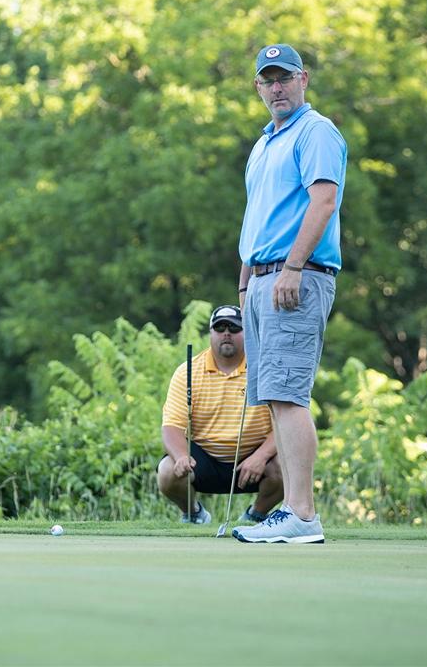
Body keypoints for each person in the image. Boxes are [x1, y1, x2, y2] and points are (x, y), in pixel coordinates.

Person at [231, 44, 347, 544]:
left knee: (288, 392)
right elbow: (257, 217)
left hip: (295, 276)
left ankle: (301, 514)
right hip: (261, 281)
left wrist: (293, 267)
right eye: (267, 80)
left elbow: (323, 201)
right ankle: (294, 515)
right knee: (274, 397)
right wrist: (244, 283)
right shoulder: (263, 144)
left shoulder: (316, 131)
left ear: (304, 79)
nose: (276, 87)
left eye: (285, 78)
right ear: (258, 87)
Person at [157, 305, 284, 525]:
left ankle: (254, 516)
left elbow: (284, 424)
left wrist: (261, 456)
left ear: (247, 332)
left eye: (234, 328)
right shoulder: (187, 371)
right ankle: (194, 514)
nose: (226, 333)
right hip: (204, 459)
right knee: (167, 471)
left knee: (289, 465)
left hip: (253, 459)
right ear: (211, 334)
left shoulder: (265, 367)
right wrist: (180, 457)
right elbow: (172, 427)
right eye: (220, 327)